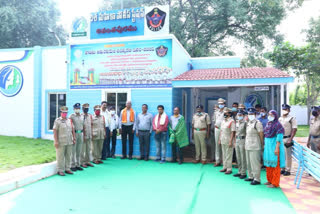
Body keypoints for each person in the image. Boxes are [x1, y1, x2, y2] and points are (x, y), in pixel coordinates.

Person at [263, 110, 285, 188]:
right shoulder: (268, 123)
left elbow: (279, 138)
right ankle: (270, 180)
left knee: (275, 164)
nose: (270, 116)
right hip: (268, 147)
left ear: (275, 116)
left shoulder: (278, 125)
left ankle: (275, 183)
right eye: (269, 115)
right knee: (269, 164)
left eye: (272, 115)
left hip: (274, 146)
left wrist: (276, 148)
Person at [53, 106, 76, 176]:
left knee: (68, 155)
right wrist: (56, 141)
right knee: (60, 156)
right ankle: (60, 170)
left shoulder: (69, 120)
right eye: (63, 113)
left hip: (69, 141)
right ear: (61, 113)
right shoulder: (57, 121)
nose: (64, 114)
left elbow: (72, 130)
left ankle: (67, 168)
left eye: (66, 113)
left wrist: (74, 138)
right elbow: (55, 131)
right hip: (61, 141)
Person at [245, 108, 264, 185]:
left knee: (255, 163)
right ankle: (251, 176)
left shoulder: (257, 123)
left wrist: (262, 144)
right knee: (249, 162)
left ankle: (257, 178)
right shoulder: (248, 123)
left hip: (255, 145)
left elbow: (261, 134)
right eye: (249, 114)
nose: (250, 115)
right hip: (248, 145)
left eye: (252, 114)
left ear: (255, 115)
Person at [279, 104, 297, 176]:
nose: (284, 110)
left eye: (286, 109)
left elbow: (294, 129)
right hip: (281, 138)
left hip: (287, 138)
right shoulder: (280, 118)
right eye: (283, 109)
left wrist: (290, 139)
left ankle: (288, 169)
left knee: (287, 155)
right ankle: (283, 168)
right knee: (282, 155)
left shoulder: (292, 118)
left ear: (289, 110)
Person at [219, 108, 235, 174]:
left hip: (228, 139)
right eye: (224, 113)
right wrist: (219, 139)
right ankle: (224, 167)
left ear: (229, 114)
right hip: (223, 139)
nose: (224, 114)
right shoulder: (223, 121)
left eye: (226, 113)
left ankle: (229, 169)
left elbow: (232, 132)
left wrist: (231, 141)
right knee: (224, 154)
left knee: (229, 154)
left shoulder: (232, 121)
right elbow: (221, 131)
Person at [69, 103, 85, 172]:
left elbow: (83, 125)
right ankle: (72, 165)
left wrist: (83, 134)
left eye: (78, 108)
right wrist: (72, 136)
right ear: (74, 109)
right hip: (75, 133)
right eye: (76, 108)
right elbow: (70, 126)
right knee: (73, 150)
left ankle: (78, 165)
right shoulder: (72, 116)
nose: (77, 110)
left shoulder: (82, 116)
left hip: (80, 133)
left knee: (79, 150)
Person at [233, 110, 247, 179]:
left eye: (241, 115)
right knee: (238, 156)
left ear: (243, 116)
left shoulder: (245, 123)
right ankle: (239, 171)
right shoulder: (237, 122)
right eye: (238, 115)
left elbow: (247, 133)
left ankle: (243, 172)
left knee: (242, 156)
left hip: (243, 140)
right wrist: (234, 141)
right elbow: (235, 132)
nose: (239, 116)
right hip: (237, 139)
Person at [214, 98, 226, 166]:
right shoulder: (216, 112)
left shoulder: (226, 111)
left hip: (223, 130)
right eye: (219, 104)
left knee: (223, 145)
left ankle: (224, 161)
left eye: (222, 104)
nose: (220, 105)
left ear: (224, 104)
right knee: (217, 145)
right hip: (217, 129)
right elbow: (215, 120)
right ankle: (217, 161)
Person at [81, 103, 94, 167]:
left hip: (89, 135)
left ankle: (87, 161)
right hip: (83, 135)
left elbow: (91, 125)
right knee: (83, 149)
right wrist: (83, 135)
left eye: (87, 108)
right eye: (85, 108)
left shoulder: (90, 116)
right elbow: (81, 126)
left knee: (88, 149)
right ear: (82, 109)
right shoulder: (81, 116)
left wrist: (91, 134)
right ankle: (82, 162)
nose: (86, 109)